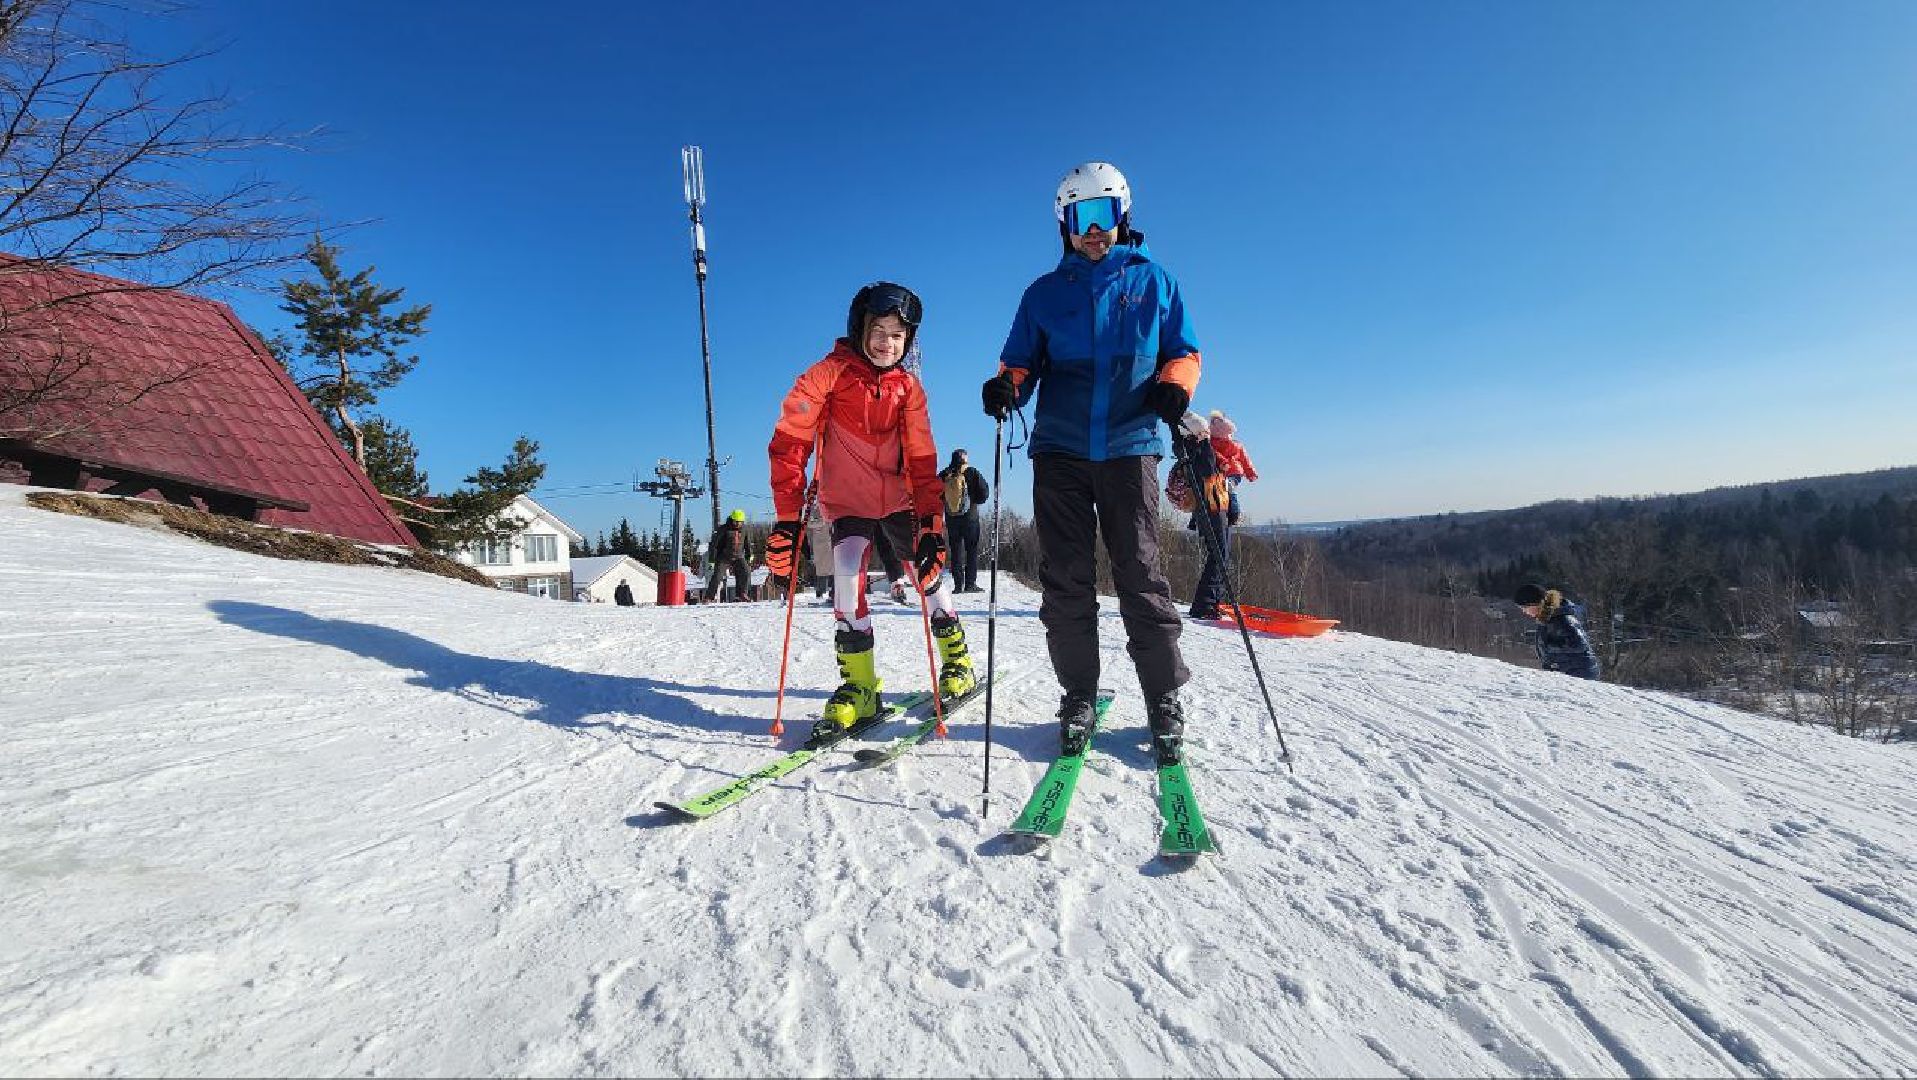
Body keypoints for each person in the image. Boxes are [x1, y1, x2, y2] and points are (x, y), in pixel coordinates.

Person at [980, 161, 1203, 765]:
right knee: (1067, 577)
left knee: (1141, 572)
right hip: (1060, 450)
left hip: (1130, 445)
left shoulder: (1156, 282)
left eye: (1104, 215)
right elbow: (1019, 362)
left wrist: (1175, 385)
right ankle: (1078, 693)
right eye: (1080, 219)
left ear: (1123, 216)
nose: (1093, 230)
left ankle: (1162, 696)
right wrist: (1006, 388)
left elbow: (1183, 351)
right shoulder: (1043, 294)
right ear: (1065, 226)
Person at [764, 282, 977, 739]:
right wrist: (787, 520)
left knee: (927, 577)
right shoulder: (827, 375)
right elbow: (790, 443)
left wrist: (930, 527)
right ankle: (860, 687)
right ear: (858, 329)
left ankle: (958, 662)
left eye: (898, 335)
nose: (887, 343)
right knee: (845, 582)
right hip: (848, 503)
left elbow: (921, 460)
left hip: (901, 502)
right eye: (878, 331)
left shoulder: (909, 389)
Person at [1179, 420, 1235, 621]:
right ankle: (1205, 604)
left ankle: (1210, 602)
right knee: (1219, 555)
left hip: (1212, 506)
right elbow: (1209, 470)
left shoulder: (1191, 448)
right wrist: (1205, 444)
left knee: (1220, 554)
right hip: (1212, 506)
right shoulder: (1198, 448)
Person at [1514, 583, 1602, 680]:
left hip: (1579, 673)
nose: (1524, 611)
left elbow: (1579, 645)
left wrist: (1549, 647)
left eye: (1525, 607)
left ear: (1536, 603)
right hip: (1567, 671)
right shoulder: (1548, 618)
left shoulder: (1561, 619)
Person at [939, 448, 990, 592]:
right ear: (965, 458)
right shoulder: (972, 472)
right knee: (971, 550)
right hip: (970, 517)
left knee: (955, 551)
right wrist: (974, 501)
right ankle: (970, 584)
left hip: (951, 519)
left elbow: (935, 493)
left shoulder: (944, 474)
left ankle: (957, 585)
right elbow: (984, 493)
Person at [1206, 409, 1257, 526]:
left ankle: (1234, 512)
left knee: (1227, 487)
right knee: (1215, 491)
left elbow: (1245, 459)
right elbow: (1213, 454)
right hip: (1220, 471)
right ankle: (1220, 515)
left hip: (1233, 471)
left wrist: (1251, 473)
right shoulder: (1211, 442)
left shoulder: (1236, 444)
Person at [707, 509, 752, 602]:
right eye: (736, 522)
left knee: (746, 572)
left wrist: (749, 555)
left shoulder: (744, 530)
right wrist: (712, 560)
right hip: (724, 557)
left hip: (738, 556)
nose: (738, 524)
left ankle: (742, 594)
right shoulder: (723, 529)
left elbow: (747, 543)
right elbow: (714, 545)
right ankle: (708, 597)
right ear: (732, 520)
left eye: (740, 522)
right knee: (717, 576)